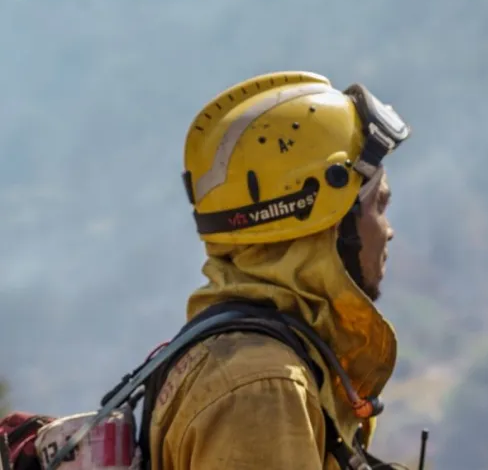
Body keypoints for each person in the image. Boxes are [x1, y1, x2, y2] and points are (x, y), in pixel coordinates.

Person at [146, 70, 411, 470]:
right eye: (379, 206)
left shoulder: (259, 360)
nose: (388, 232)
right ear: (326, 217)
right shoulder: (263, 389)